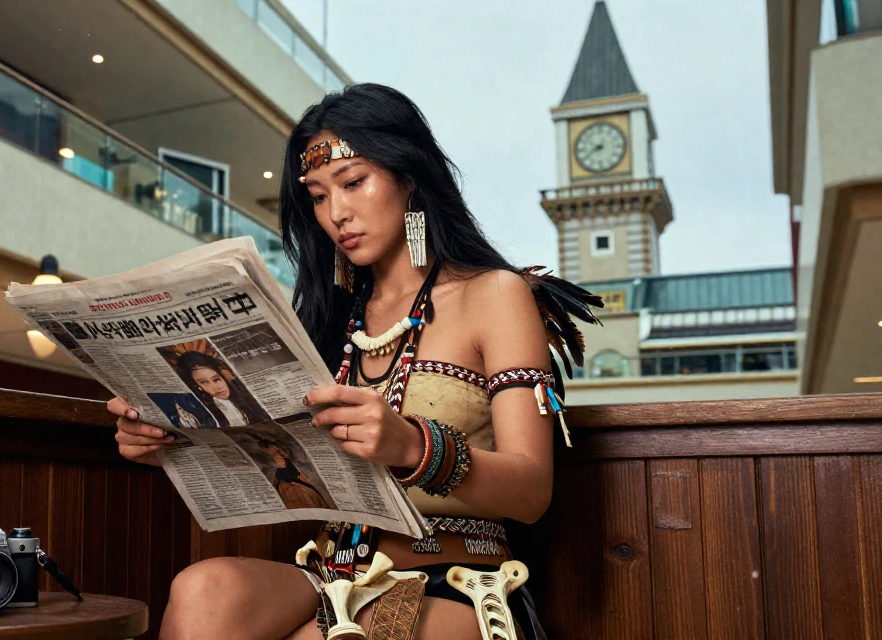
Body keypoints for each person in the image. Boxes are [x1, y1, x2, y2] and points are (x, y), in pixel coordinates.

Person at [109, 83, 600, 640]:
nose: (336, 213)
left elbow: (533, 492)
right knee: (203, 590)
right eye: (318, 196)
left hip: (456, 577)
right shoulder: (326, 317)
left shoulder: (494, 294)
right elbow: (276, 460)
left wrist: (414, 446)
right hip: (328, 573)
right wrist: (169, 438)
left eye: (353, 182)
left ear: (409, 178)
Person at [175, 350, 271, 427]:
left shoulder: (244, 396)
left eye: (216, 379)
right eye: (204, 382)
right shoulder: (199, 409)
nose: (215, 387)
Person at [254, 437, 329, 510]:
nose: (273, 448)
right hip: (288, 482)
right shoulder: (272, 469)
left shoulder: (288, 460)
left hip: (296, 477)